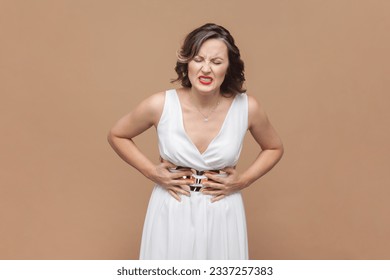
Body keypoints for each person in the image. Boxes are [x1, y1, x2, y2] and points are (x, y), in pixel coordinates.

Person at [107, 23, 284, 259]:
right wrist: (151, 171)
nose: (206, 69)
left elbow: (274, 147)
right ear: (187, 62)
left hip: (223, 211)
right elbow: (117, 134)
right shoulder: (159, 104)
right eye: (198, 59)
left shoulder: (247, 108)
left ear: (229, 67)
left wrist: (243, 180)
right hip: (171, 208)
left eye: (216, 62)